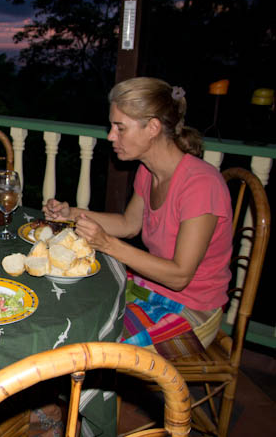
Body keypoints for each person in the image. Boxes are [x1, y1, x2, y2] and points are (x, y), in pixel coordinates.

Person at [43, 77, 233, 359]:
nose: (110, 136)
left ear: (153, 128)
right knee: (69, 306)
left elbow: (180, 276)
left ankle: (83, 402)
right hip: (151, 290)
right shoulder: (149, 172)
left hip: (193, 312)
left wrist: (106, 243)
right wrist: (72, 215)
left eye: (120, 128)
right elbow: (129, 225)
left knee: (92, 345)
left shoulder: (201, 185)